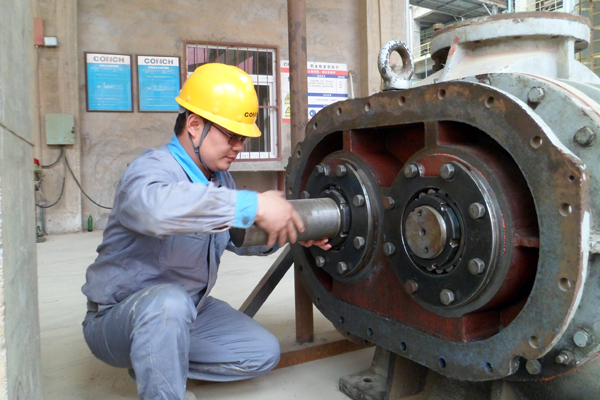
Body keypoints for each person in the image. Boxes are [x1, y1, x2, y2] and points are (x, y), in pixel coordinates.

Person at [81, 63, 328, 400]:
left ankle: (155, 356)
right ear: (194, 125)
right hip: (120, 315)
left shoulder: (219, 179)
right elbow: (155, 211)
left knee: (261, 352)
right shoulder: (150, 170)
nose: (239, 146)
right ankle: (157, 367)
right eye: (231, 136)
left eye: (243, 138)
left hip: (190, 310)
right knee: (169, 304)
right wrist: (253, 204)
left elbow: (238, 239)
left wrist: (293, 231)